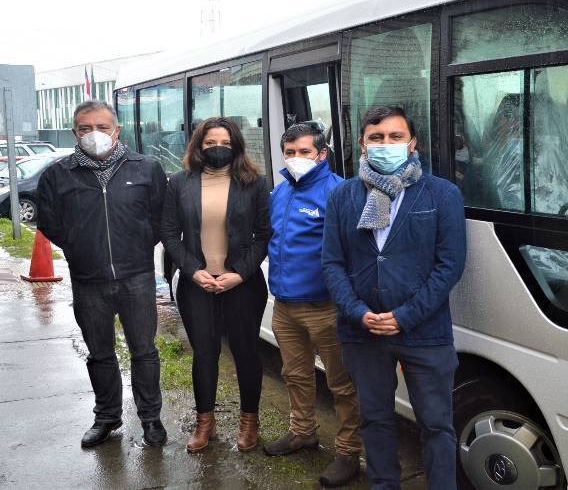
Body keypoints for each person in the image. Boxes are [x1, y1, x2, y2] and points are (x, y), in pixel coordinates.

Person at [322, 106, 467, 489]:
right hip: (363, 332)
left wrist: (405, 316)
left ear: (412, 142)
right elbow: (333, 264)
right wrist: (357, 312)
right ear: (362, 145)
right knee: (375, 419)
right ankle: (385, 483)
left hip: (425, 331)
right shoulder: (343, 197)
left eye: (395, 137)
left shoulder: (442, 194)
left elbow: (449, 266)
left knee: (437, 424)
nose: (386, 144)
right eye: (377, 138)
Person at [36, 100, 168, 448]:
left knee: (144, 352)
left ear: (116, 130)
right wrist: (80, 248)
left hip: (136, 278)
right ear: (74, 132)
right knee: (100, 353)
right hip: (88, 280)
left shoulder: (146, 168)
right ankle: (107, 417)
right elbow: (50, 223)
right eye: (85, 128)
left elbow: (157, 218)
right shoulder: (57, 175)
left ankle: (151, 419)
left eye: (102, 127)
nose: (94, 134)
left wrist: (137, 247)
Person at [160, 117, 270, 453]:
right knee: (204, 355)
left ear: (236, 144)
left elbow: (263, 235)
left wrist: (238, 273)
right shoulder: (180, 183)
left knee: (247, 353)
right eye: (209, 143)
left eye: (223, 142)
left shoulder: (254, 182)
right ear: (198, 146)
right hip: (197, 286)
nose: (217, 148)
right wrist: (193, 270)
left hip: (243, 284)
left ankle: (249, 420)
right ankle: (204, 421)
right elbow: (169, 233)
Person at [264, 121, 362, 486]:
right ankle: (302, 431)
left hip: (327, 308)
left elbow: (355, 252)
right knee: (295, 375)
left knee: (342, 384)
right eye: (289, 152)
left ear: (322, 154)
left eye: (304, 152)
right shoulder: (280, 192)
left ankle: (349, 452)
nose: (295, 158)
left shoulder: (340, 192)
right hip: (285, 306)